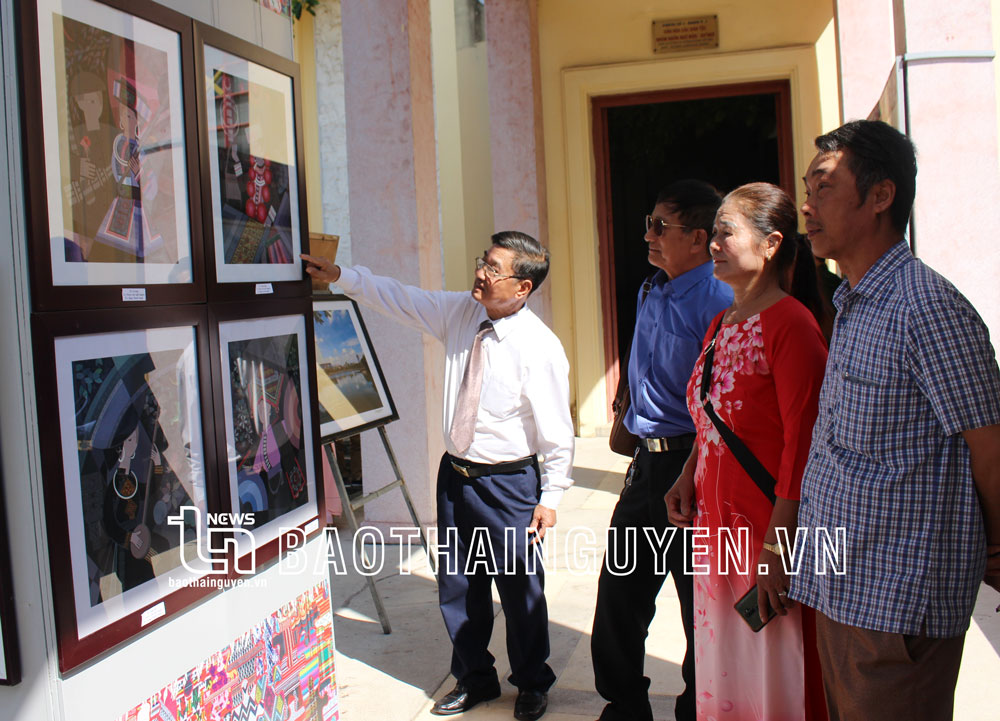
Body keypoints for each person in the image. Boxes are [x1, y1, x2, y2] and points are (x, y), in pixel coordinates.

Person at [301, 232, 574, 721]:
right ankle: (474, 679)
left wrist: (549, 495)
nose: (481, 274)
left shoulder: (541, 348)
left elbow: (557, 433)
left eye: (494, 269)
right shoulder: (460, 313)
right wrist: (342, 277)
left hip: (508, 485)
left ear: (522, 287)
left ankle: (532, 682)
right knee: (458, 586)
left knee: (519, 589)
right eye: (482, 263)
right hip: (455, 478)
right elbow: (400, 297)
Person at [790, 119, 1000, 720]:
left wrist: (994, 549)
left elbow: (988, 447)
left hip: (899, 600)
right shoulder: (854, 300)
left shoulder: (927, 306)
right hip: (842, 584)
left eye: (824, 187)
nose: (808, 205)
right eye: (808, 188)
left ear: (881, 196)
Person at [666, 182, 829, 720]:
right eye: (713, 233)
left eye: (725, 232)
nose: (713, 243)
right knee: (725, 670)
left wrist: (777, 554)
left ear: (772, 243)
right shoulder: (721, 324)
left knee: (774, 676)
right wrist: (688, 472)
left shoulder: (792, 326)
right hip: (716, 533)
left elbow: (804, 452)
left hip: (766, 537)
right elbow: (713, 418)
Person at [591, 180, 731, 721]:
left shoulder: (720, 299)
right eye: (647, 223)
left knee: (699, 603)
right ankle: (623, 705)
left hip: (694, 465)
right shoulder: (652, 288)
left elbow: (718, 398)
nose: (647, 235)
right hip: (646, 464)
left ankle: (699, 708)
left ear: (699, 238)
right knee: (620, 595)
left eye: (660, 227)